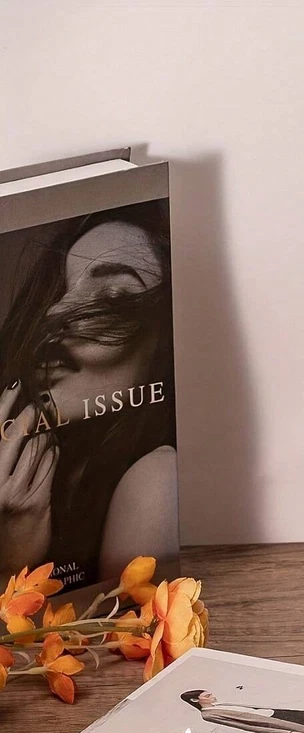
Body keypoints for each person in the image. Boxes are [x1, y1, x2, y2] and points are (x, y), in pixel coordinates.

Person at [0, 202, 177, 584]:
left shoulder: (157, 479)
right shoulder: (52, 480)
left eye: (113, 299)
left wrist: (13, 569)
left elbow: (121, 625)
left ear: (164, 344)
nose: (53, 314)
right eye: (58, 293)